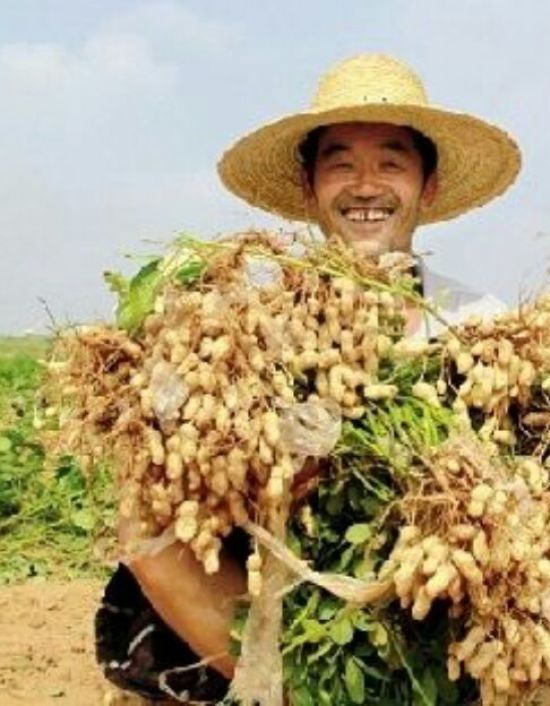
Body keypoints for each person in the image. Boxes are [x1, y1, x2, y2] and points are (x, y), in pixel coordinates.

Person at [95, 53, 520, 703]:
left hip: (424, 639)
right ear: (310, 187)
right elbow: (155, 515)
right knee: (147, 523)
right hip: (257, 619)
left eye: (392, 163)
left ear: (428, 188)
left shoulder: (482, 328)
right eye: (341, 162)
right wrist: (256, 485)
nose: (366, 185)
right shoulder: (242, 329)